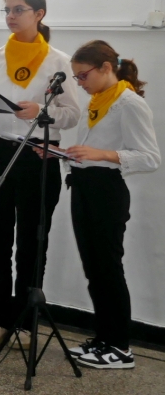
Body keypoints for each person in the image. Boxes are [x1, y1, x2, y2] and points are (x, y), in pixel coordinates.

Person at [0, 0, 81, 346]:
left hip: (36, 156)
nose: (11, 16)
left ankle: (25, 323)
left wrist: (41, 112)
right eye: (7, 10)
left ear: (39, 14)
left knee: (32, 241)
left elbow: (72, 115)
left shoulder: (59, 62)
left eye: (19, 9)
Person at [61, 41, 159, 369]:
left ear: (106, 68)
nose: (79, 83)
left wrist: (102, 154)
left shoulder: (128, 103)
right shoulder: (98, 102)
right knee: (94, 270)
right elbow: (91, 149)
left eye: (83, 75)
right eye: (76, 77)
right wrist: (63, 154)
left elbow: (150, 157)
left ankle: (120, 347)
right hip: (84, 187)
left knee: (108, 269)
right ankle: (103, 339)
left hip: (107, 192)